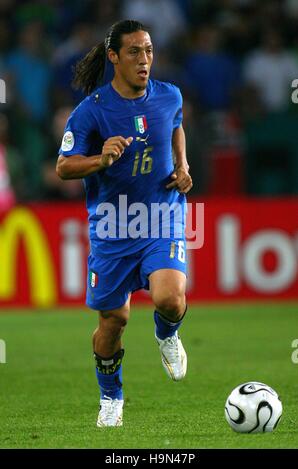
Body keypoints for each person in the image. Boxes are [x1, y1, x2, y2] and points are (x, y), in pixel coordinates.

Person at [56, 20, 193, 427]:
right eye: (134, 52)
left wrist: (183, 165)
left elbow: (176, 126)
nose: (145, 59)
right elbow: (63, 167)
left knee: (170, 297)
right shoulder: (92, 110)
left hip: (160, 216)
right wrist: (100, 159)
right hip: (114, 228)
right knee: (113, 322)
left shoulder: (169, 95)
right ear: (113, 57)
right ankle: (111, 396)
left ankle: (167, 334)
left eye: (149, 50)